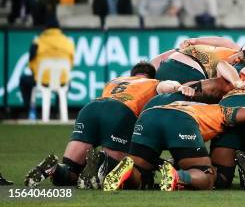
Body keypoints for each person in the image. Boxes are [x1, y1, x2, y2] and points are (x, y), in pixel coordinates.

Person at [24, 62, 191, 189]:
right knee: (120, 174)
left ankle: (55, 168)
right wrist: (179, 87)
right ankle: (101, 161)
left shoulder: (115, 81)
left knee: (70, 171)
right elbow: (166, 86)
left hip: (91, 109)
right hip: (120, 112)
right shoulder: (152, 83)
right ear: (151, 76)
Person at [102, 101, 245, 191]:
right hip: (181, 121)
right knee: (207, 174)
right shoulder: (221, 111)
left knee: (140, 172)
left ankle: (125, 172)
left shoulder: (187, 102)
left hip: (149, 116)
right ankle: (177, 176)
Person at [26, 19, 75, 120]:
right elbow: (71, 64)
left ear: (45, 29)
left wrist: (36, 74)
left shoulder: (37, 42)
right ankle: (59, 112)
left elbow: (30, 63)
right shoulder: (68, 42)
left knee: (24, 80)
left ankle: (31, 110)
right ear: (59, 28)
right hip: (62, 81)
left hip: (41, 81)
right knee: (65, 86)